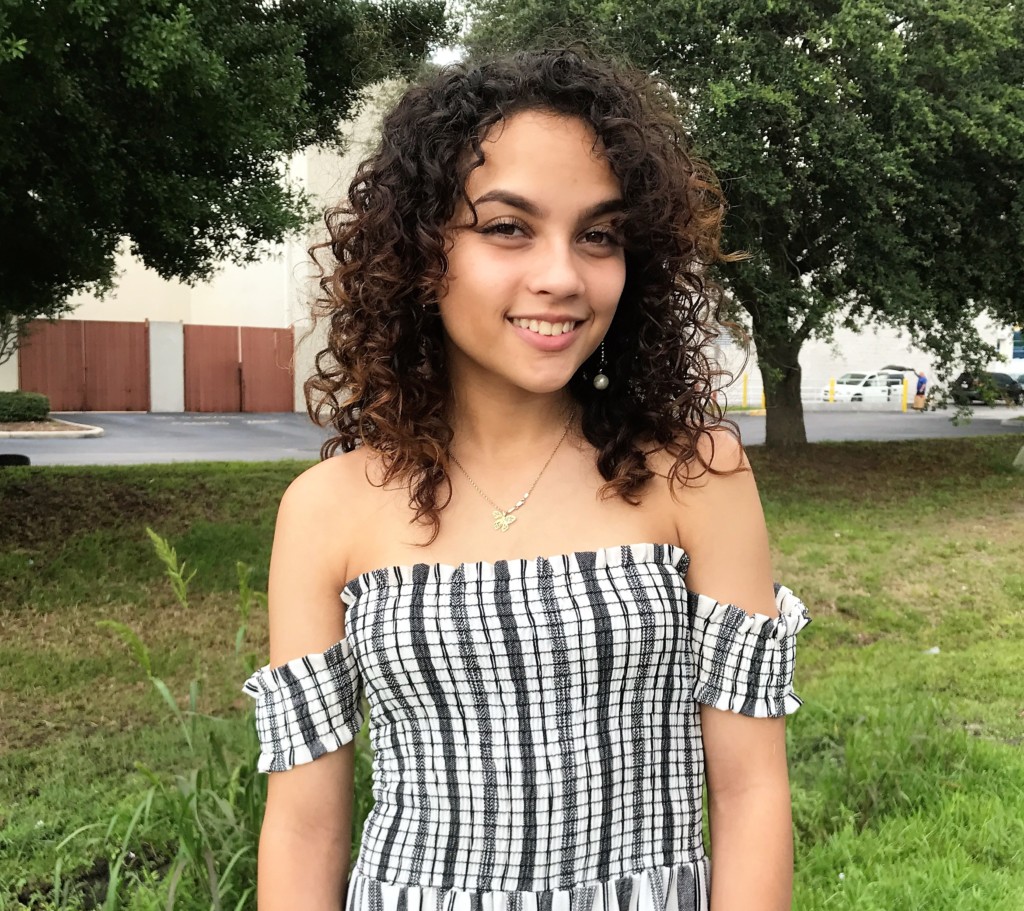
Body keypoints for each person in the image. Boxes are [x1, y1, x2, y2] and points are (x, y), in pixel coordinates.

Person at [244, 48, 809, 911]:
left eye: (599, 234)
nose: (562, 276)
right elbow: (304, 828)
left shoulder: (696, 476)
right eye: (508, 227)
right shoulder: (326, 510)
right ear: (421, 249)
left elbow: (751, 791)